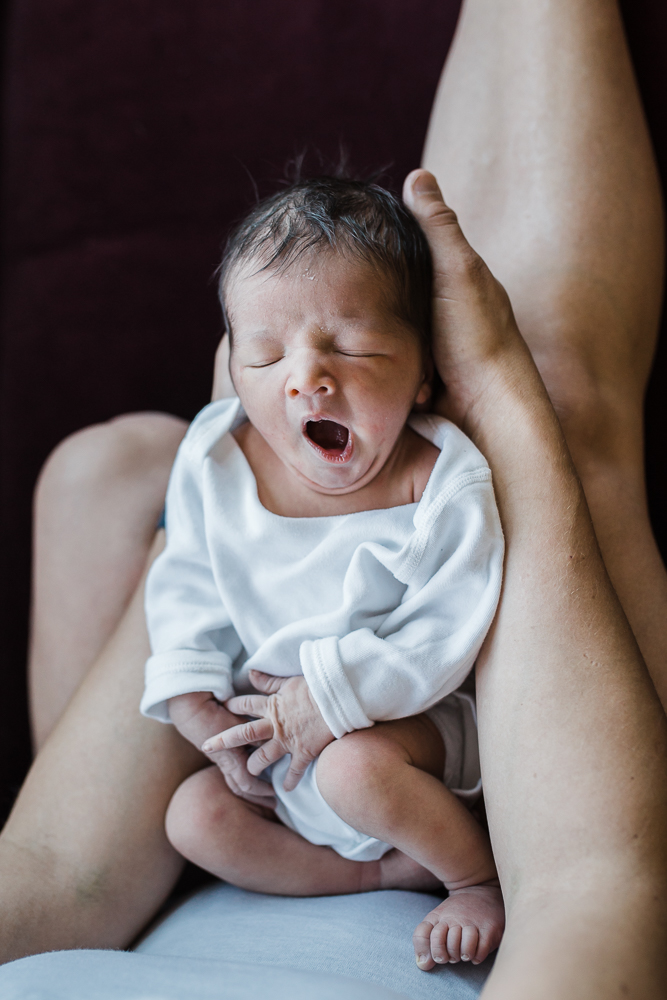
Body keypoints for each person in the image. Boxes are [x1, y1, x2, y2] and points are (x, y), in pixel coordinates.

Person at [1, 0, 667, 997]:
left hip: (140, 891)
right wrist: (494, 386)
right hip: (431, 867)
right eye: (269, 350)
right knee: (550, 394)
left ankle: (312, 380)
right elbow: (590, 891)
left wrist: (195, 701)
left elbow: (49, 873)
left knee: (165, 465)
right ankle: (448, 372)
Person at [141, 177, 505, 967]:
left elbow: (451, 626)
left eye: (351, 346)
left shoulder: (439, 479)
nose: (305, 377)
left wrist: (332, 701)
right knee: (193, 818)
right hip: (279, 749)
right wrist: (196, 703)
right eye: (265, 354)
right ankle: (370, 874)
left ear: (422, 373)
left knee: (353, 769)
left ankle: (471, 876)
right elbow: (185, 582)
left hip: (404, 728)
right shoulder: (215, 457)